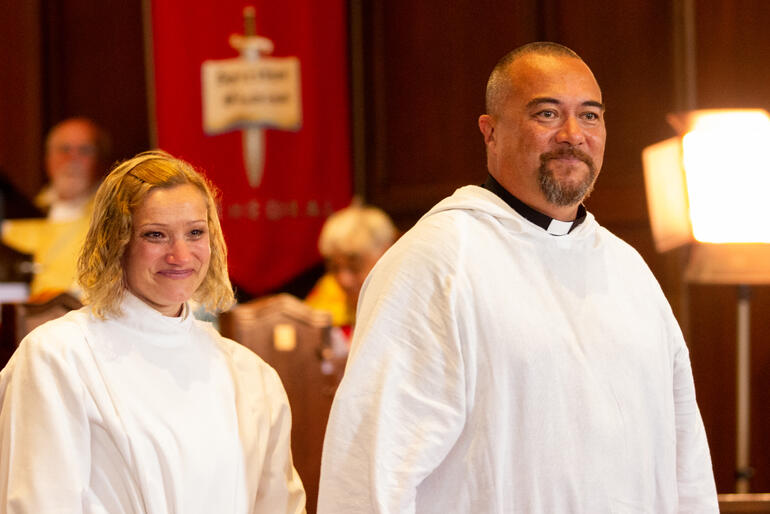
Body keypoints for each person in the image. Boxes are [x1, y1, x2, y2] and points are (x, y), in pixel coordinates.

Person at [317, 42, 718, 513]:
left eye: (590, 116)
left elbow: (685, 455)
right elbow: (373, 465)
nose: (573, 134)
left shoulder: (629, 271)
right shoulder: (437, 262)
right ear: (490, 132)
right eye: (547, 114)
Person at [0, 150, 306, 513]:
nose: (180, 255)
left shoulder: (252, 376)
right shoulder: (57, 357)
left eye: (195, 232)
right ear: (116, 243)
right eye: (156, 235)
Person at [1, 117, 111, 299]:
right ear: (48, 159)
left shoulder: (112, 217)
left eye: (85, 150)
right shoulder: (25, 214)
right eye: (63, 150)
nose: (72, 159)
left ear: (102, 160)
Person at [305, 204, 397, 342]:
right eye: (334, 268)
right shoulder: (326, 291)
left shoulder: (403, 302)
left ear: (385, 255)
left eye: (354, 267)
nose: (344, 280)